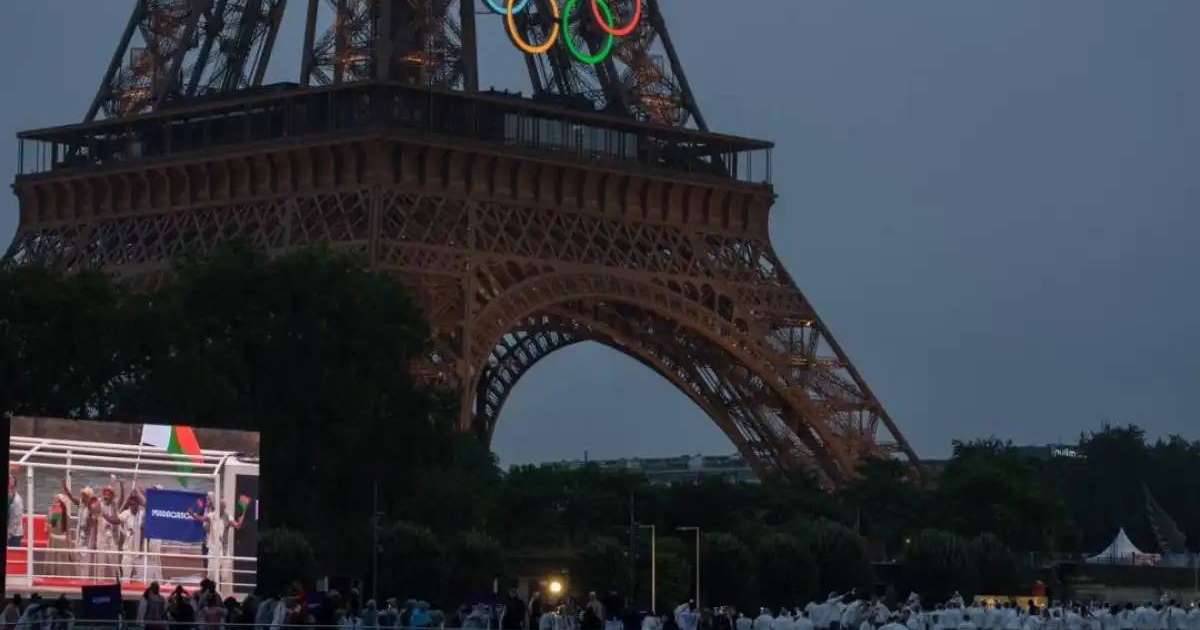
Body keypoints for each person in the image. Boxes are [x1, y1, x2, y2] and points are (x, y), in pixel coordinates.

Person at [119, 492, 146, 581]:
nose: (132, 506)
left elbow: (149, 507)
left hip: (138, 552)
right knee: (125, 578)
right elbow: (116, 520)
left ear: (138, 504)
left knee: (141, 578)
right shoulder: (125, 513)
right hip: (127, 551)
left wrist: (138, 494)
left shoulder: (142, 514)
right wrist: (125, 532)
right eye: (130, 504)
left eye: (134, 504)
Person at [7, 474, 24, 548]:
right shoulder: (9, 496)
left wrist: (9, 533)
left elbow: (16, 519)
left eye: (10, 479)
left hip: (14, 534)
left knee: (12, 554)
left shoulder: (17, 499)